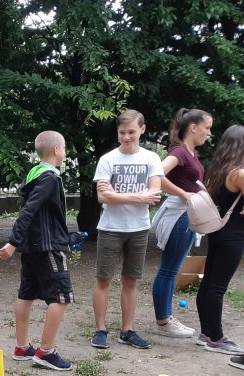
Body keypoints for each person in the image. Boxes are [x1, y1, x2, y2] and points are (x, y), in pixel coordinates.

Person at [0, 131, 78, 371]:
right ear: (56, 150)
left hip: (32, 247)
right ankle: (46, 352)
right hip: (48, 247)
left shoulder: (34, 175)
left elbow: (40, 213)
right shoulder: (49, 178)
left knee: (26, 294)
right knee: (61, 297)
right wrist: (12, 241)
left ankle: (22, 348)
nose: (65, 153)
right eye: (64, 149)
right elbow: (29, 211)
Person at [90, 110, 163, 350]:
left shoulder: (151, 158)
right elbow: (103, 196)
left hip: (139, 229)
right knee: (104, 279)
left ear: (142, 129)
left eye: (131, 132)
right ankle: (101, 329)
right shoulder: (108, 159)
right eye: (122, 132)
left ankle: (127, 330)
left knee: (131, 280)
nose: (127, 137)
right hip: (111, 228)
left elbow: (154, 195)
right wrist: (138, 196)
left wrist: (117, 195)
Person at [150, 108, 212, 338]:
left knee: (171, 269)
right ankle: (164, 321)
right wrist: (184, 194)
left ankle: (165, 318)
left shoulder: (191, 153)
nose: (209, 132)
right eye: (207, 128)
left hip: (187, 215)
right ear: (193, 127)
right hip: (180, 215)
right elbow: (158, 175)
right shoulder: (180, 152)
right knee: (169, 269)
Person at [195, 125, 244, 357]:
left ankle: (206, 333)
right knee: (218, 287)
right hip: (233, 234)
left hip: (217, 230)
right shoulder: (239, 173)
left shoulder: (217, 170)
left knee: (209, 283)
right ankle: (216, 337)